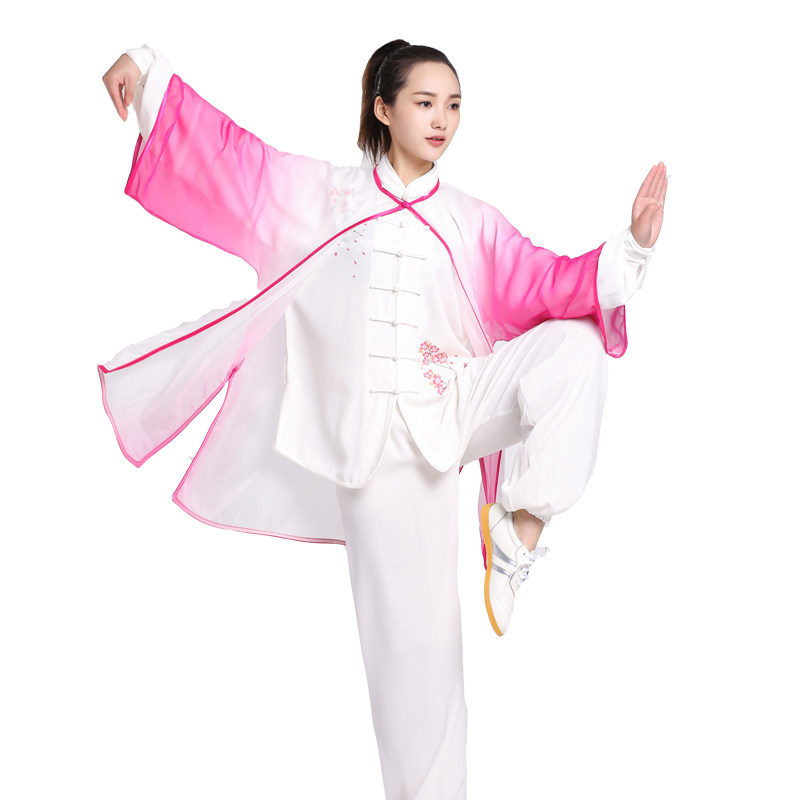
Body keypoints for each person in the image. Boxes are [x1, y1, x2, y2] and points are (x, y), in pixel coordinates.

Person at [100, 39, 667, 799]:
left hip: (454, 403)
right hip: (374, 452)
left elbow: (550, 282)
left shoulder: (470, 220)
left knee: (576, 346)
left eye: (454, 105)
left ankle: (521, 525)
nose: (442, 120)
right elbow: (228, 158)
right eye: (425, 103)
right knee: (416, 657)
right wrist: (145, 75)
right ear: (383, 108)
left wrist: (631, 249)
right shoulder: (323, 196)